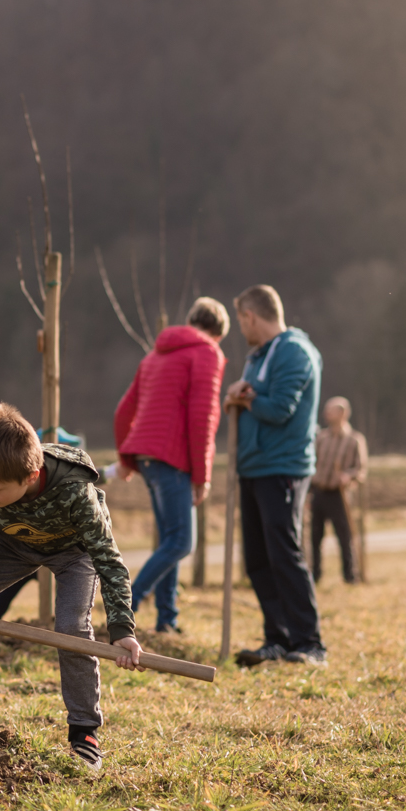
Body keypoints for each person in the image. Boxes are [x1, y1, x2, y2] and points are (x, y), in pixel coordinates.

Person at [0, 403, 142, 772]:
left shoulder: (75, 493)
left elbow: (108, 560)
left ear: (31, 476)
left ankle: (85, 733)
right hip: (13, 545)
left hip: (73, 553)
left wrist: (122, 630)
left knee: (71, 629)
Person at [112, 297, 230, 634]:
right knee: (181, 543)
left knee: (169, 538)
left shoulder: (153, 355)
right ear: (217, 333)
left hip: (147, 460)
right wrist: (203, 475)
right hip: (172, 459)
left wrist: (126, 458)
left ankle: (167, 619)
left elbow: (124, 411)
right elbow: (203, 416)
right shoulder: (207, 353)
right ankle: (126, 607)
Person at [224, 285, 326, 667]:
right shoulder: (257, 357)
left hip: (282, 467)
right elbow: (252, 397)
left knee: (285, 554)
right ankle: (278, 638)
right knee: (258, 558)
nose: (241, 328)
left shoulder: (294, 352)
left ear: (251, 316)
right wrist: (239, 396)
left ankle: (310, 642)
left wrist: (247, 398)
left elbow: (281, 408)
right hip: (253, 468)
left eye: (241, 320)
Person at [310, 396, 368, 584]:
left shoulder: (354, 440)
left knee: (344, 536)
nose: (326, 413)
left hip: (339, 495)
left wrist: (348, 476)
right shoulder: (321, 438)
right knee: (315, 537)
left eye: (331, 410)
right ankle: (315, 574)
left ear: (343, 413)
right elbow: (312, 462)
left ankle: (350, 575)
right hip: (319, 491)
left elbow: (360, 469)